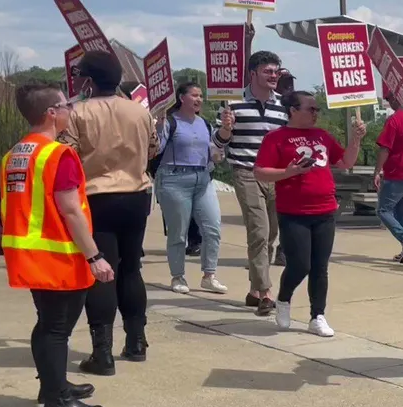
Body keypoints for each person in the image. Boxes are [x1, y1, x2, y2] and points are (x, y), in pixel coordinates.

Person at [1, 82, 114, 407]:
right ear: (51, 113)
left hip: (29, 252)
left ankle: (53, 385)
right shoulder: (58, 155)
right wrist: (95, 256)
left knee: (48, 324)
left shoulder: (15, 154)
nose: (71, 110)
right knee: (56, 328)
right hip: (57, 254)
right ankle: (57, 400)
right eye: (67, 105)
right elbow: (71, 210)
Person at [60, 51, 158, 374]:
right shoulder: (139, 112)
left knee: (102, 271)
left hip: (97, 197)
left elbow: (67, 154)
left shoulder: (77, 113)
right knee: (131, 268)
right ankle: (136, 341)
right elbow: (153, 148)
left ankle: (102, 352)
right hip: (136, 195)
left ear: (89, 80)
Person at [254, 91, 366, 336]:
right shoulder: (276, 138)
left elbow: (345, 162)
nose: (316, 114)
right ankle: (283, 298)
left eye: (317, 110)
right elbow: (260, 172)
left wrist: (356, 141)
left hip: (325, 210)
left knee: (320, 267)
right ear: (293, 110)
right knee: (300, 264)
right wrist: (289, 172)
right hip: (293, 212)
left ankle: (318, 316)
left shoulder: (322, 136)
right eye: (310, 109)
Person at [213, 50, 288, 315]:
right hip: (247, 172)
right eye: (268, 71)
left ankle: (254, 291)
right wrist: (226, 128)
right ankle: (266, 294)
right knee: (259, 230)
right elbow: (218, 143)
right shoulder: (232, 104)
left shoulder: (284, 106)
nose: (273, 76)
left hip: (276, 175)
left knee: (271, 233)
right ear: (253, 73)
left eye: (276, 71)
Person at [154, 81, 227, 296]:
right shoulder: (170, 122)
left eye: (201, 96)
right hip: (174, 179)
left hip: (203, 179)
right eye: (194, 95)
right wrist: (158, 125)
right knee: (178, 232)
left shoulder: (205, 124)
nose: (199, 99)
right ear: (181, 98)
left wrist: (219, 151)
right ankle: (178, 276)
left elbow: (214, 151)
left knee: (212, 228)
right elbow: (157, 148)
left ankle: (209, 275)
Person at [374, 96, 403, 263]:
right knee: (401, 210)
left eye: (389, 98)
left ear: (395, 99)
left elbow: (385, 148)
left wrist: (377, 170)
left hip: (396, 173)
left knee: (383, 210)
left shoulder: (394, 120)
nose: (389, 102)